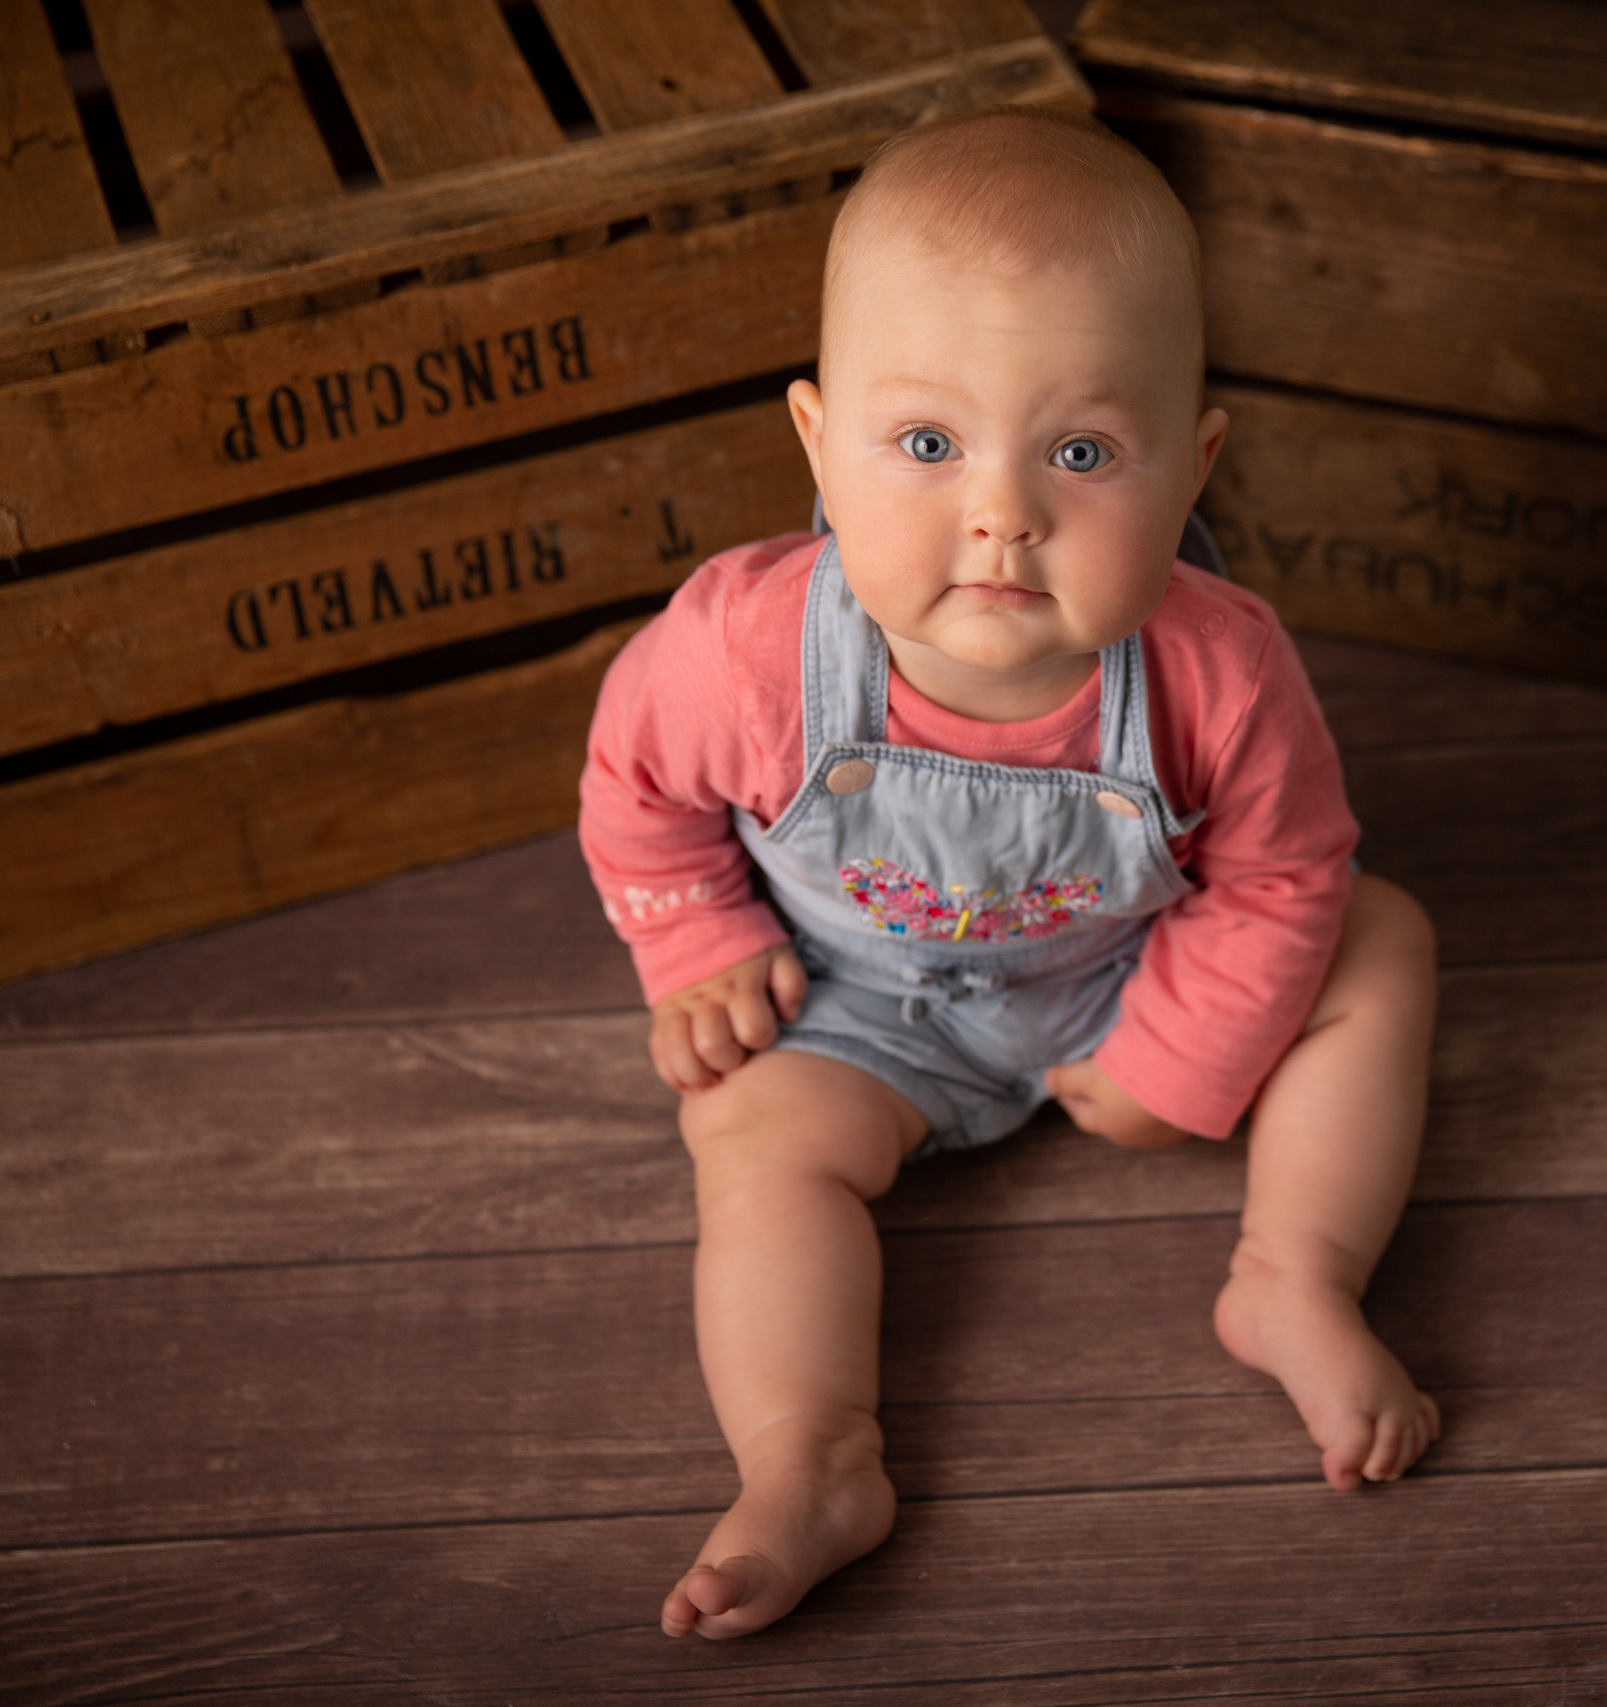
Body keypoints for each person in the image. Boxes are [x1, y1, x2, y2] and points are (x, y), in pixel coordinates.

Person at [578, 105, 1440, 1642]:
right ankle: (811, 1455)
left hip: (1122, 977)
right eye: (926, 444)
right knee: (750, 1131)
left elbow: (1285, 869)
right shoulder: (744, 651)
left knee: (1381, 942)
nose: (1004, 513)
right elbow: (636, 789)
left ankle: (1296, 1273)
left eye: (1085, 452)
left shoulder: (1218, 670)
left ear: (1195, 467)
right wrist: (696, 941)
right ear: (816, 444)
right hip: (861, 1006)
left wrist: (1184, 1047)